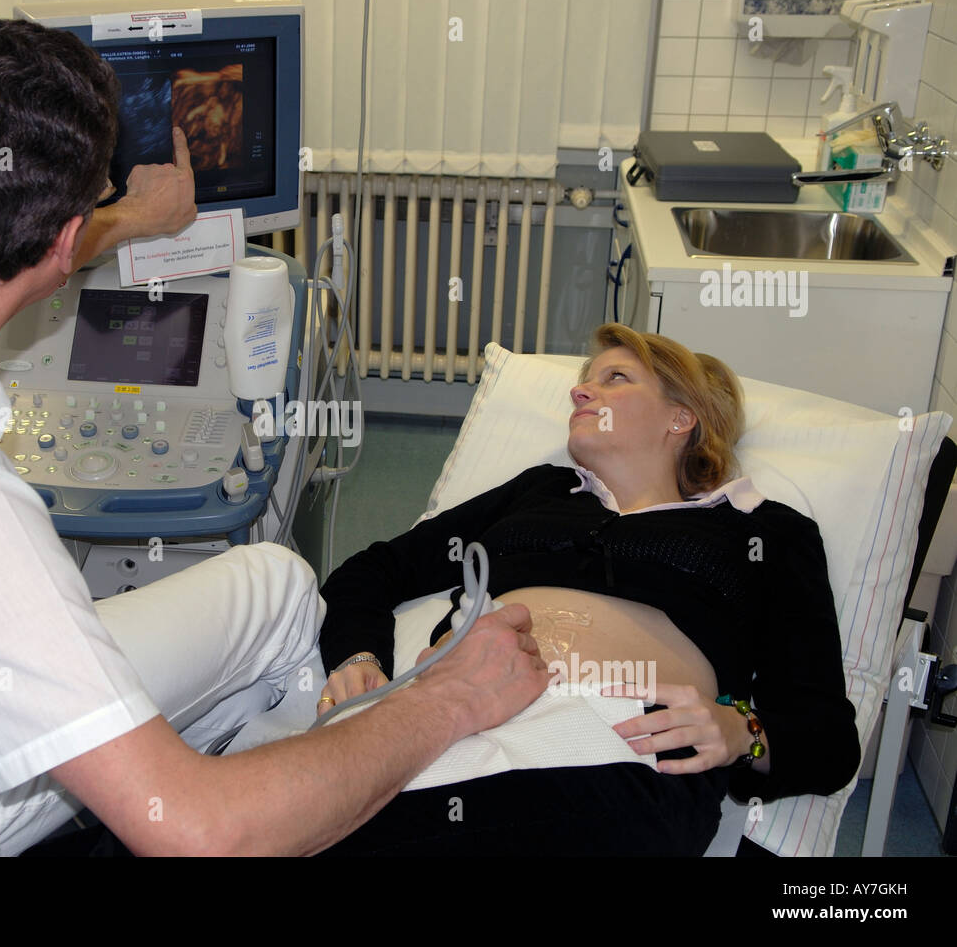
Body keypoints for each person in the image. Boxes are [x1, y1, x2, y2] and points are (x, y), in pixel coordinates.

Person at [0, 18, 553, 856]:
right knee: (279, 597)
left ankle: (192, 766)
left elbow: (20, 235)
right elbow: (192, 832)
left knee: (266, 590)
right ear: (64, 234)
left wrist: (138, 218)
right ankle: (263, 802)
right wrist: (447, 701)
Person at [314, 323, 861, 856]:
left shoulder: (762, 531)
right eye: (584, 380)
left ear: (681, 417)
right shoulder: (539, 493)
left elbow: (829, 740)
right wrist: (359, 655)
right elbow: (375, 569)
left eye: (616, 378)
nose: (580, 390)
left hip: (623, 746)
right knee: (306, 809)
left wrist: (744, 731)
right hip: (456, 708)